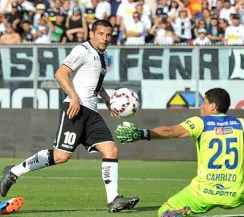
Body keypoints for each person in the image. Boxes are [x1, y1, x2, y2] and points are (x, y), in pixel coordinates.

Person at [0, 20, 139, 213]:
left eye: (108, 35)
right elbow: (61, 73)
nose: (105, 38)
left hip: (92, 112)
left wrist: (106, 98)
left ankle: (113, 200)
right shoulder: (82, 50)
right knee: (61, 156)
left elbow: (94, 81)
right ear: (92, 34)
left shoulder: (102, 55)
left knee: (111, 149)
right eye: (101, 34)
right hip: (75, 108)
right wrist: (73, 96)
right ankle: (14, 171)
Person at [115, 87, 244, 217]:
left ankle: (176, 214)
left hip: (202, 193)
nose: (201, 106)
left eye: (204, 102)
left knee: (164, 211)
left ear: (213, 106)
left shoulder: (200, 123)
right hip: (235, 192)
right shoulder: (240, 124)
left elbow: (170, 132)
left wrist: (141, 134)